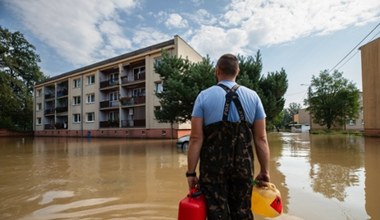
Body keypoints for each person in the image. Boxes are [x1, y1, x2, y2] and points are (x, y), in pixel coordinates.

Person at [186, 53, 271, 219]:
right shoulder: (253, 97)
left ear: (217, 71)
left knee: (216, 214)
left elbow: (196, 138)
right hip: (243, 169)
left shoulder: (203, 96)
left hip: (212, 170)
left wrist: (191, 173)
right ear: (237, 71)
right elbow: (261, 139)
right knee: (242, 213)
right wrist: (265, 171)